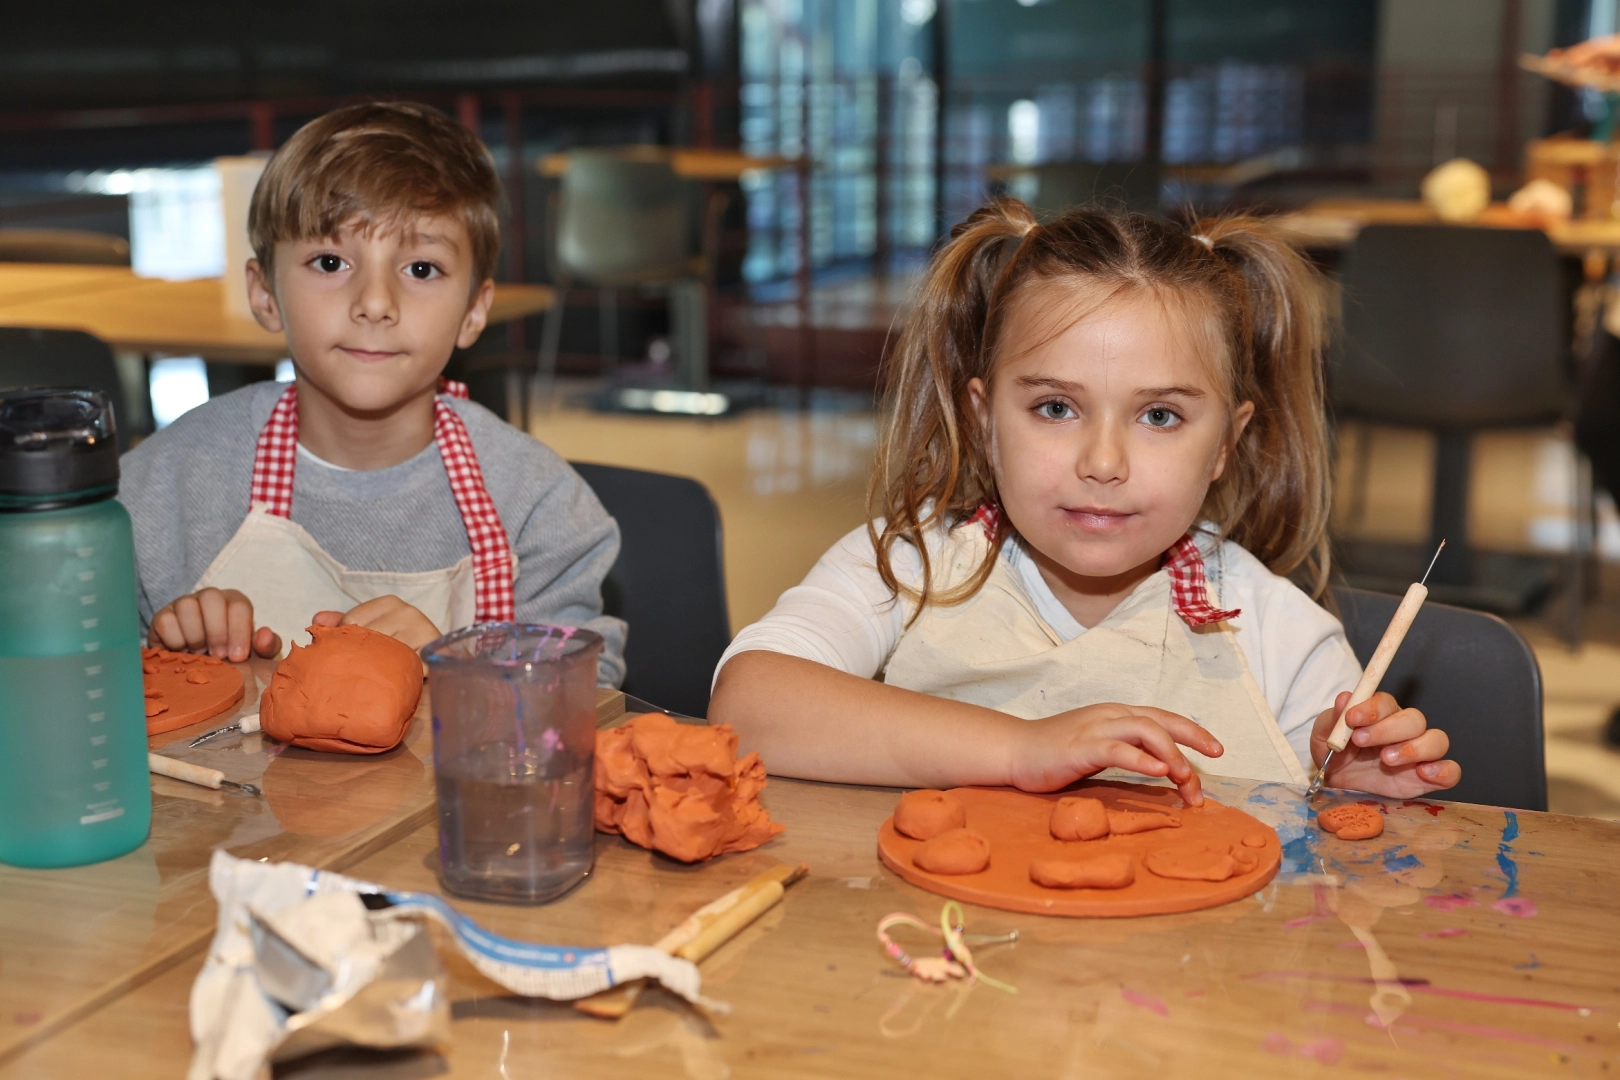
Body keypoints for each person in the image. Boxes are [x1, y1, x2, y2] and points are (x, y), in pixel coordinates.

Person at [709, 200, 1460, 802]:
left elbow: (1328, 893)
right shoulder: (905, 566)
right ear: (983, 419)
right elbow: (749, 706)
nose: (1103, 463)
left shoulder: (1283, 637)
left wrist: (1355, 795)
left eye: (1160, 416)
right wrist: (1023, 747)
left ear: (1225, 444)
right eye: (1055, 409)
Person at [120, 102, 626, 684]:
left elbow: (585, 703)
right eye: (331, 261)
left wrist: (461, 674)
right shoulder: (162, 490)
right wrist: (166, 658)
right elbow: (84, 686)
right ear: (264, 295)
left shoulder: (539, 510)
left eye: (421, 270)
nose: (376, 302)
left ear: (473, 310)